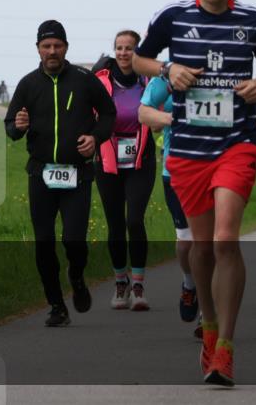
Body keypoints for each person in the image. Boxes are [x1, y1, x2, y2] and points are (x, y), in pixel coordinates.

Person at [133, 0, 256, 388]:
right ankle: (210, 323)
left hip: (237, 143)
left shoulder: (252, 19)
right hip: (188, 150)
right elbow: (140, 57)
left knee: (224, 240)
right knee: (200, 248)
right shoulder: (173, 15)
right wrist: (166, 70)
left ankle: (227, 351)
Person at [5, 20, 116, 327]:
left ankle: (77, 277)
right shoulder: (28, 84)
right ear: (38, 49)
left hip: (76, 174)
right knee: (44, 243)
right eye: (46, 46)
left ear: (66, 48)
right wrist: (18, 126)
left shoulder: (83, 79)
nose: (52, 51)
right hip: (40, 175)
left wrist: (95, 137)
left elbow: (109, 113)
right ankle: (56, 305)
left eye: (57, 45)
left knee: (74, 241)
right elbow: (10, 127)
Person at [94, 31, 157, 311]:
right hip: (107, 159)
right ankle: (121, 282)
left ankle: (139, 285)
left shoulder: (149, 81)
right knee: (116, 223)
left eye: (129, 48)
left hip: (140, 159)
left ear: (137, 52)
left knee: (134, 220)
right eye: (119, 48)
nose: (123, 53)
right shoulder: (101, 80)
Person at [139, 66, 201, 334]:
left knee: (213, 243)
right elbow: (145, 114)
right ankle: (189, 284)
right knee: (187, 242)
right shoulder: (167, 73)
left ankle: (209, 318)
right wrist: (169, 118)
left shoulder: (223, 68)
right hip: (175, 171)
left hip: (216, 170)